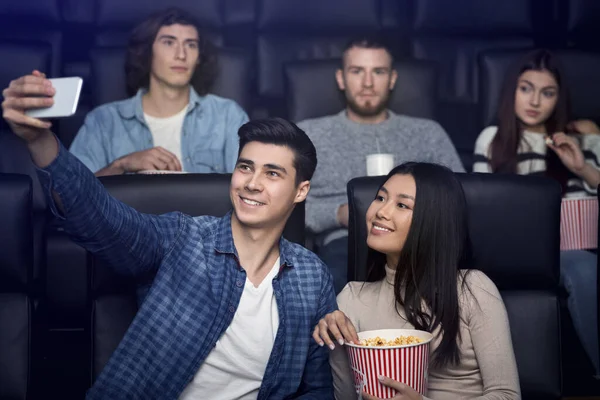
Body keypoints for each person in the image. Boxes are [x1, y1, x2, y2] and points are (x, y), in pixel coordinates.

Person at [2, 71, 336, 398]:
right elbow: (99, 217)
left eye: (272, 173)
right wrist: (40, 141)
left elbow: (317, 389)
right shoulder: (183, 238)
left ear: (300, 190)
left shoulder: (311, 276)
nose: (251, 182)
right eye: (245, 166)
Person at [312, 162, 520, 399]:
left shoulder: (471, 288)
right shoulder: (351, 298)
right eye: (380, 198)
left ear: (433, 220)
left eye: (402, 205)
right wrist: (338, 343)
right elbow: (349, 397)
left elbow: (507, 395)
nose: (381, 211)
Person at [297, 37, 464, 294]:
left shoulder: (427, 132)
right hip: (344, 243)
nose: (367, 83)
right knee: (329, 290)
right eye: (357, 71)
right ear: (341, 79)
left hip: (418, 242)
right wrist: (338, 214)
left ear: (392, 79)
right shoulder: (310, 134)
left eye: (378, 71)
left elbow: (459, 198)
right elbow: (286, 204)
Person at [473, 49, 600, 376]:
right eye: (525, 88)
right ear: (511, 92)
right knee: (582, 266)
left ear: (559, 98)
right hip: (515, 250)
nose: (535, 101)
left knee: (583, 264)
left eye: (547, 93)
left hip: (577, 247)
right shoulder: (493, 139)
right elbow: (477, 207)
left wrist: (581, 167)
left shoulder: (583, 137)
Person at [69, 7, 249, 176]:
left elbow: (251, 189)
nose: (181, 55)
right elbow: (69, 200)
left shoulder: (227, 116)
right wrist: (121, 165)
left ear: (199, 58)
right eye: (169, 43)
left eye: (191, 45)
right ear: (147, 52)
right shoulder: (103, 121)